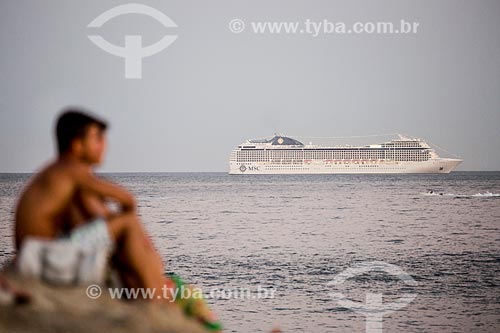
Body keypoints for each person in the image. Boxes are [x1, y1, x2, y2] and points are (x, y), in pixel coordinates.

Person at [14, 108, 221, 331]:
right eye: (97, 138)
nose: (105, 145)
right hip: (45, 258)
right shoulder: (71, 170)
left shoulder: (63, 179)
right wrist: (144, 246)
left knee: (121, 235)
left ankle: (151, 285)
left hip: (45, 257)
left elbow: (95, 218)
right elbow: (127, 199)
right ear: (76, 145)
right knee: (128, 223)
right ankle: (159, 296)